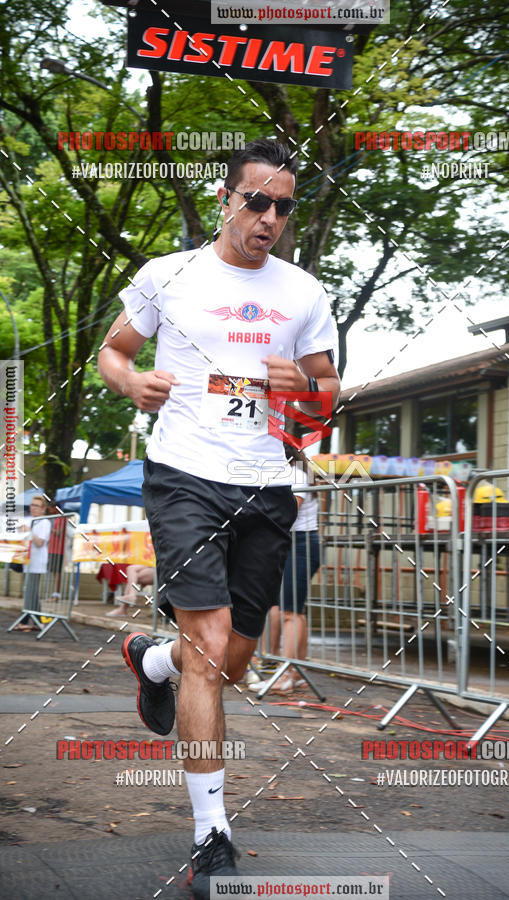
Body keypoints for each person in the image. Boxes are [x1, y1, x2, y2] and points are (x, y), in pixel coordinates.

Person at [97, 138, 340, 899]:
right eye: (257, 201)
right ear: (227, 198)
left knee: (234, 660)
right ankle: (212, 834)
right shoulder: (168, 275)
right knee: (209, 648)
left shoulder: (302, 291)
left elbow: (330, 393)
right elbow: (114, 348)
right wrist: (130, 382)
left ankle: (152, 661)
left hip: (267, 486)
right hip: (183, 478)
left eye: (284, 206)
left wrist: (301, 381)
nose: (269, 218)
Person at [253, 448, 321, 693]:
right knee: (291, 611)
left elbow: (287, 513)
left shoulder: (295, 474)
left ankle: (285, 675)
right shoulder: (291, 473)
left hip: (300, 544)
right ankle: (295, 672)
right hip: (291, 544)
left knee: (290, 613)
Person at [14, 495, 51, 631]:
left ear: (43, 509)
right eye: (32, 505)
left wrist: (29, 531)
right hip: (26, 560)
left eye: (36, 505)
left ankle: (26, 620)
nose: (33, 508)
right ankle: (37, 621)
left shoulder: (45, 522)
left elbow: (40, 542)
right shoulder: (28, 520)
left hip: (37, 561)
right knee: (30, 591)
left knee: (31, 591)